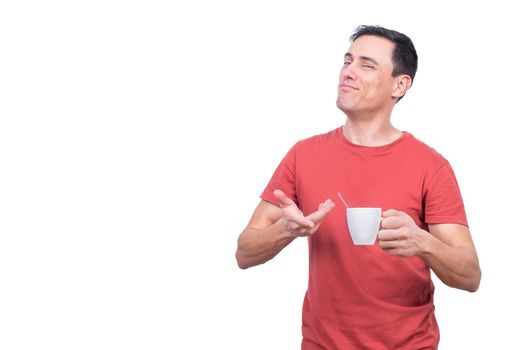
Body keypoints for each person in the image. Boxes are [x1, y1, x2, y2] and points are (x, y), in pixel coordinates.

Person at [235, 25, 481, 349]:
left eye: (367, 65)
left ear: (400, 85)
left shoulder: (430, 166)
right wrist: (285, 229)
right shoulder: (303, 155)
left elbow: (469, 275)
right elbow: (244, 252)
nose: (348, 71)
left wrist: (423, 243)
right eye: (347, 61)